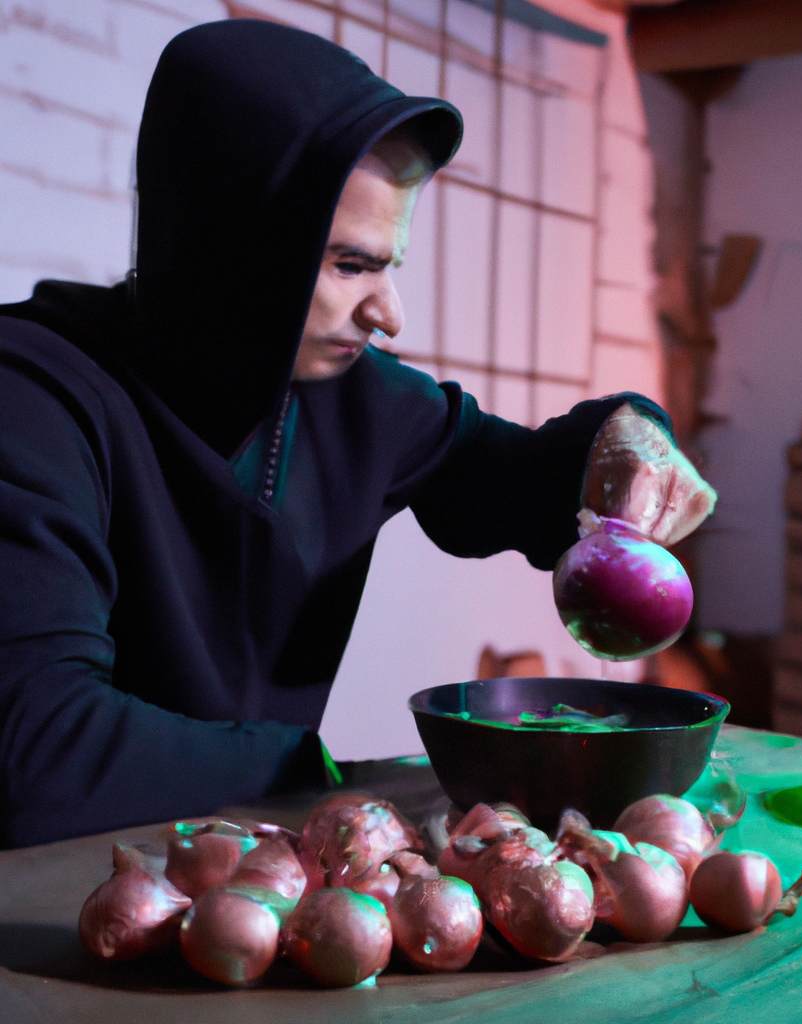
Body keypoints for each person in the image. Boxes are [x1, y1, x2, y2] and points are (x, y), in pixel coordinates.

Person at [0, 19, 714, 849]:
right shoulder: (33, 397)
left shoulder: (357, 399)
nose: (390, 315)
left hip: (246, 873)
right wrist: (311, 772)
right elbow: (38, 755)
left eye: (390, 265)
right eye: (350, 266)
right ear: (233, 245)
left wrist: (628, 437)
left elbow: (522, 480)